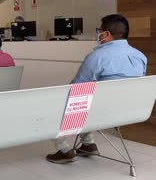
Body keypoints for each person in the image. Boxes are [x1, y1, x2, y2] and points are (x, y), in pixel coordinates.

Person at [46, 14, 147, 164]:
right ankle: (88, 144)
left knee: (59, 101)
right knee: (92, 100)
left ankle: (64, 150)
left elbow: (77, 88)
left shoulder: (97, 57)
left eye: (100, 30)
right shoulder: (140, 57)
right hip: (129, 112)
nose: (98, 34)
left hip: (100, 112)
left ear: (106, 34)